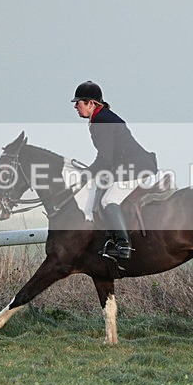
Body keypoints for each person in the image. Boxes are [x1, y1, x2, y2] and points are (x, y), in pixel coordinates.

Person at [72, 81, 158, 259]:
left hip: (135, 168)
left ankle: (123, 245)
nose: (75, 106)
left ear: (91, 103)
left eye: (78, 102)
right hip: (127, 166)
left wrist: (86, 175)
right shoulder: (102, 117)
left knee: (108, 200)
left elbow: (104, 157)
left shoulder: (101, 121)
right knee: (98, 190)